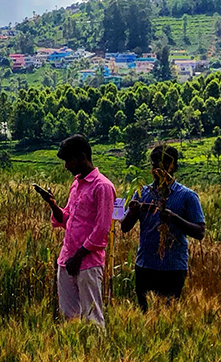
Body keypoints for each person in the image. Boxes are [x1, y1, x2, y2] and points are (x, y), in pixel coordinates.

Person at [34, 134, 115, 326]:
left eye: (68, 160)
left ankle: (94, 354)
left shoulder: (103, 187)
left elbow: (102, 229)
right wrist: (53, 205)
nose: (66, 166)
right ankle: (74, 354)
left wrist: (78, 257)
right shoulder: (76, 184)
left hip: (87, 262)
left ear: (82, 157)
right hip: (66, 259)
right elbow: (67, 219)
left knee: (92, 317)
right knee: (68, 316)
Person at [120, 144, 206, 311]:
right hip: (145, 265)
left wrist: (174, 218)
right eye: (154, 165)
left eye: (163, 165)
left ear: (174, 167)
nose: (158, 170)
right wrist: (132, 212)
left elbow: (200, 232)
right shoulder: (143, 192)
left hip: (173, 267)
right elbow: (124, 227)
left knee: (168, 315)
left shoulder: (187, 196)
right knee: (144, 314)